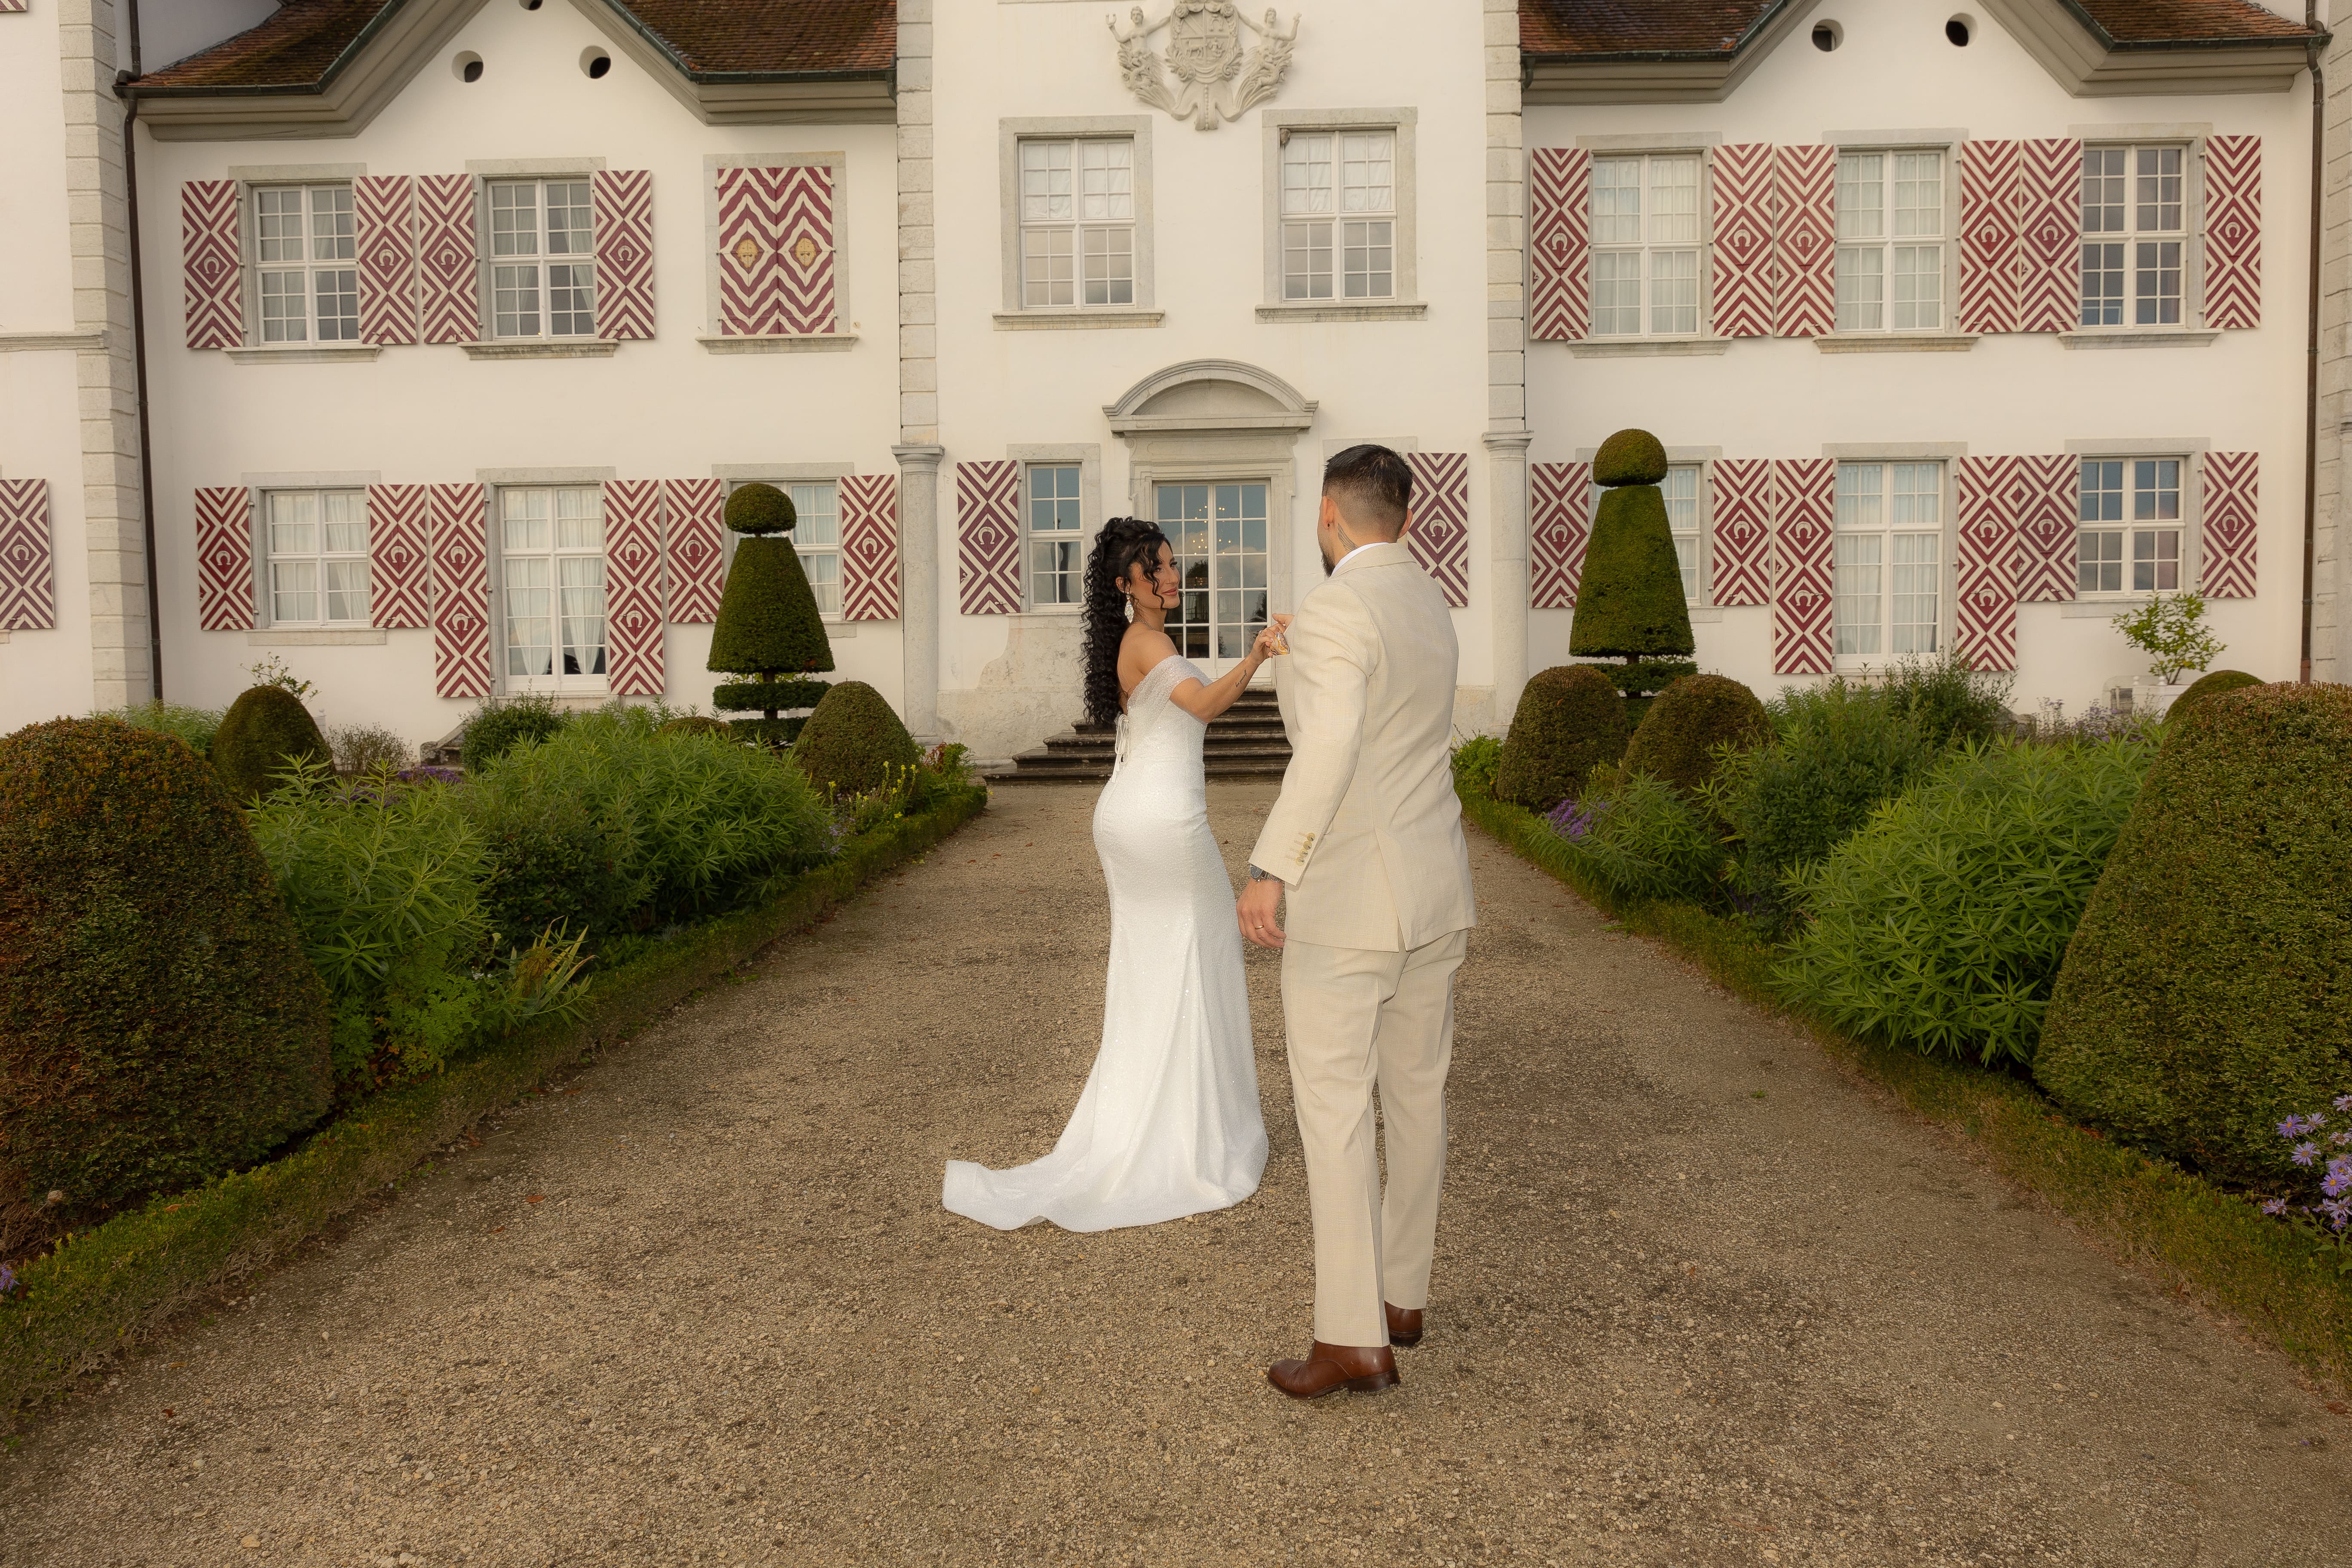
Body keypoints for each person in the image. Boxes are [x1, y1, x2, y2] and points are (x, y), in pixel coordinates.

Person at [943, 517, 1283, 1232]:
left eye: (1169, 565)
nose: (1171, 577)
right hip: (1161, 825)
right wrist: (1256, 656)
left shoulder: (1140, 644)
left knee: (1157, 969)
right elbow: (1207, 706)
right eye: (1156, 568)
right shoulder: (1149, 641)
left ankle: (1162, 1121)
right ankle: (1188, 1138)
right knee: (1200, 952)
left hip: (1135, 819)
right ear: (1127, 584)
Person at [1236, 444, 1478, 1399]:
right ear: (1405, 519)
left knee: (1335, 1110)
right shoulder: (1427, 602)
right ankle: (1402, 1296)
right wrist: (1299, 656)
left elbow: (1334, 742)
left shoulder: (1339, 605)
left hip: (1351, 900)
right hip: (1434, 887)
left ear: (1330, 516)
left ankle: (1351, 1337)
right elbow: (1383, 724)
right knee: (1417, 1095)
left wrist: (1269, 865)